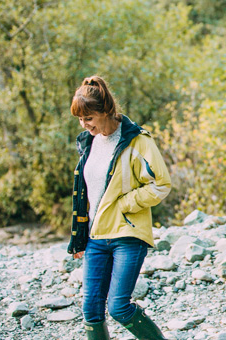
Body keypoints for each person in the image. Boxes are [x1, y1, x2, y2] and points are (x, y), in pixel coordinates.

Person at [67, 76, 171, 340]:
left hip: (127, 234)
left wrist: (125, 204)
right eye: (80, 119)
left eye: (88, 118)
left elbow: (161, 184)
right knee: (91, 310)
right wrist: (79, 237)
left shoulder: (138, 141)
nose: (84, 124)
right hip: (96, 237)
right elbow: (86, 195)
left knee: (119, 308)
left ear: (105, 111)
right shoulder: (87, 143)